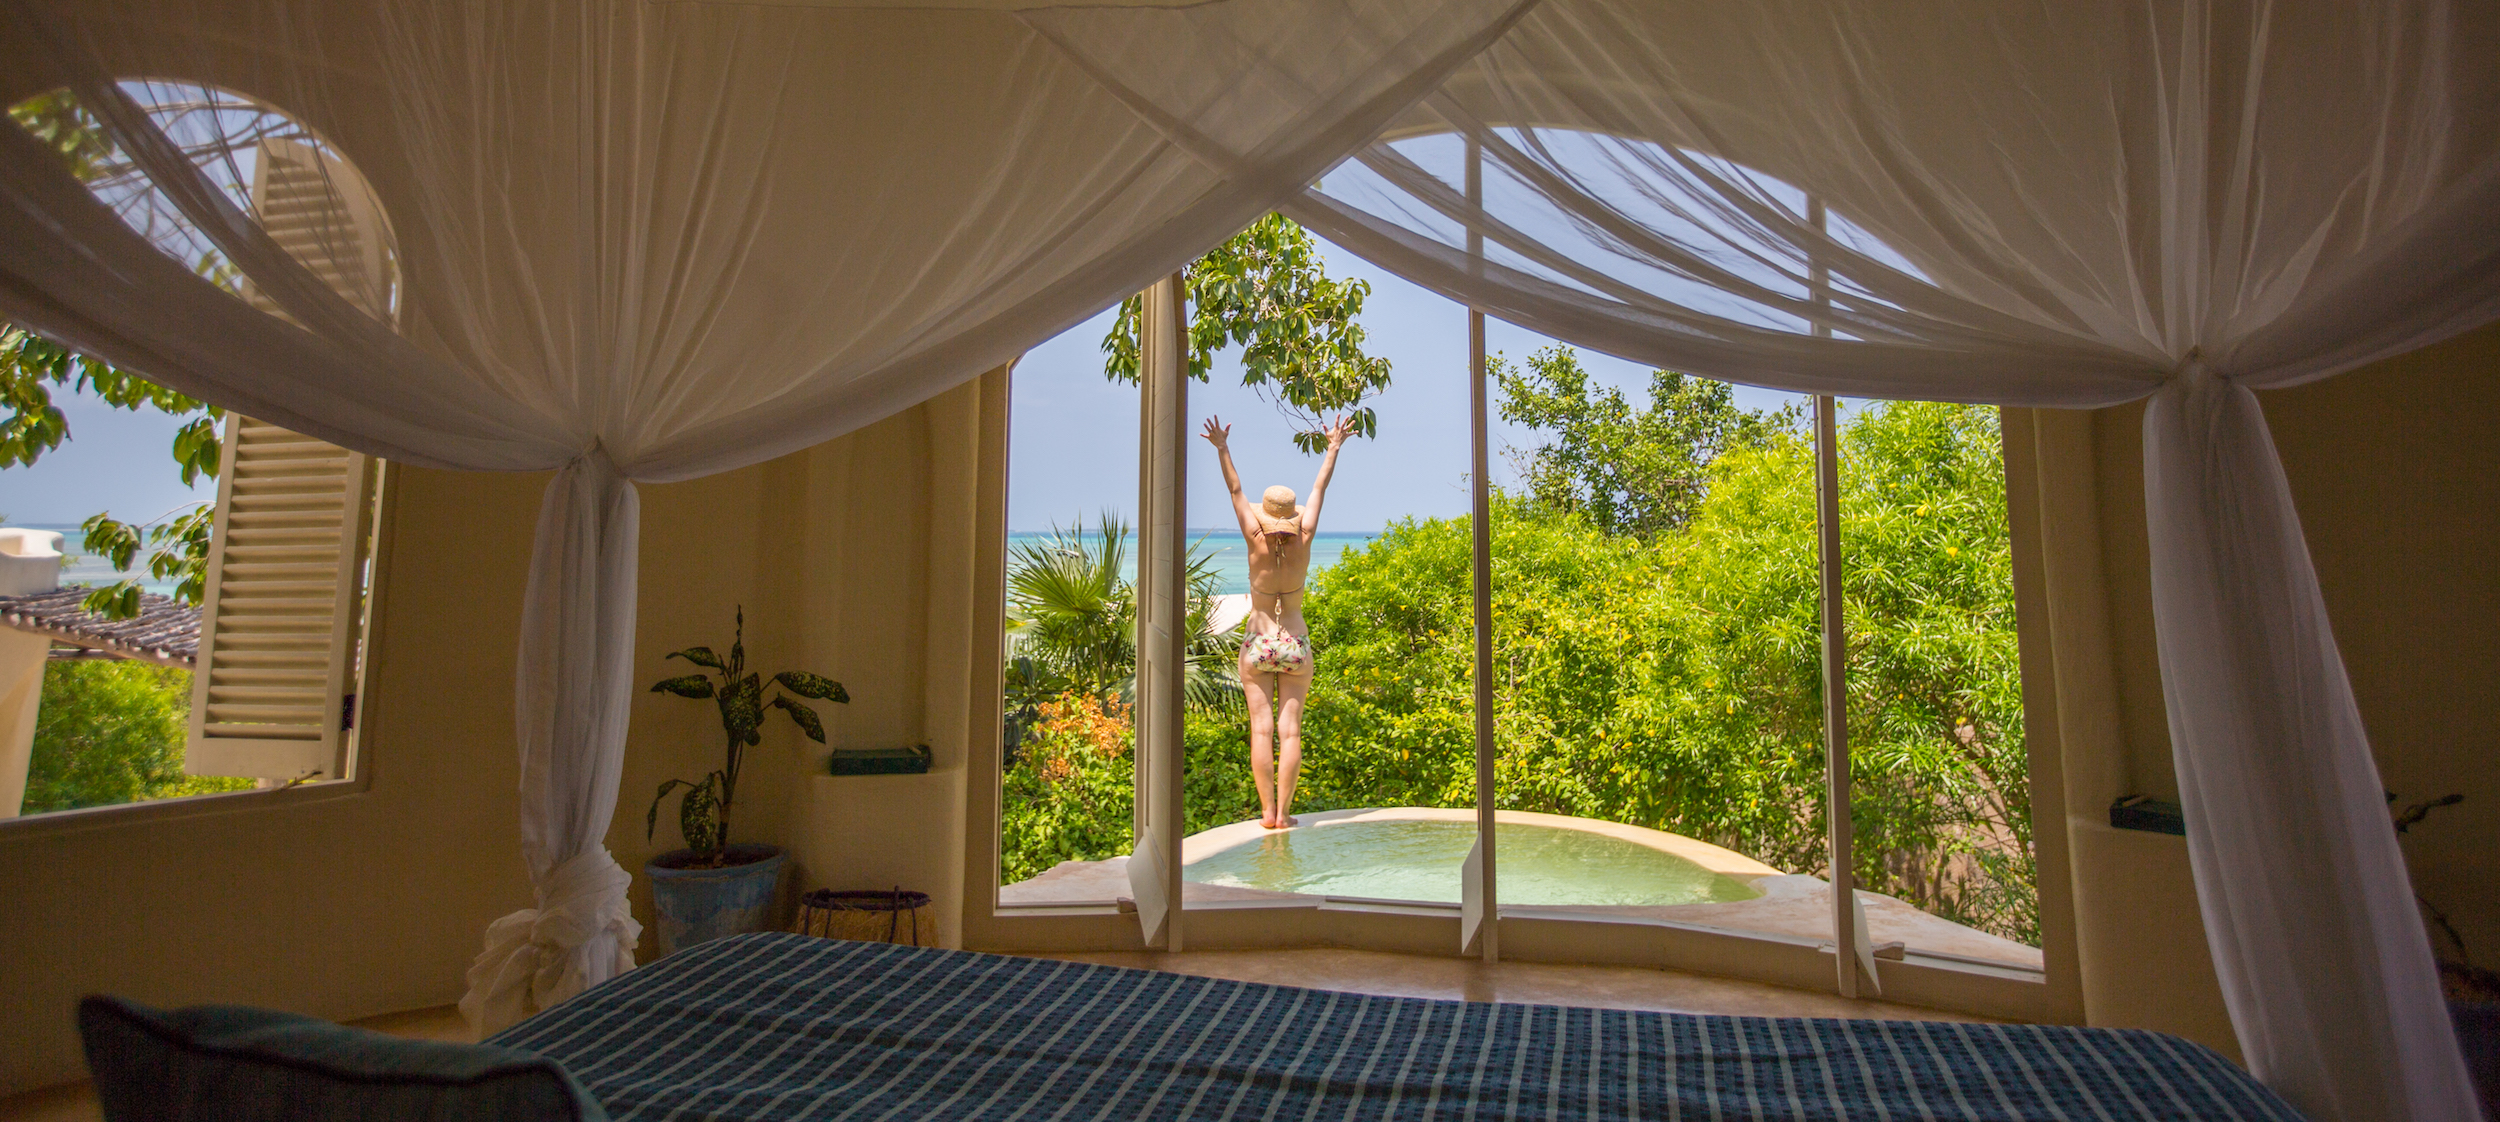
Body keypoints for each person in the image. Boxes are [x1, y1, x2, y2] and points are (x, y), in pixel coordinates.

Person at [1202, 412, 1354, 829]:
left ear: (1266, 514)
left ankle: (1266, 813)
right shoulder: (1304, 536)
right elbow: (1320, 486)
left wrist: (1222, 447)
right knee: (1291, 733)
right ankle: (1285, 814)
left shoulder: (1254, 537)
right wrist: (1334, 445)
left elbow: (1235, 488)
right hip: (1295, 644)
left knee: (1260, 731)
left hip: (1259, 640)